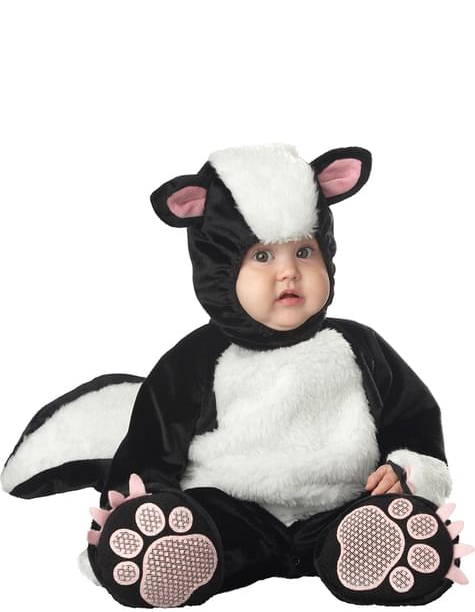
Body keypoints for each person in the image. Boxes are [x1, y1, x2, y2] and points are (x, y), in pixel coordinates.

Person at [2, 144, 470, 607]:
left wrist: (408, 470)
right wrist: (129, 509)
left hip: (341, 511)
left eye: (304, 251)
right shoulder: (195, 359)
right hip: (232, 517)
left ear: (327, 253)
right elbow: (150, 448)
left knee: (373, 516)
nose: (289, 273)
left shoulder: (360, 346)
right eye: (262, 257)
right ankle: (163, 547)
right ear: (219, 268)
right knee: (197, 516)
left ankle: (389, 545)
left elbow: (412, 419)